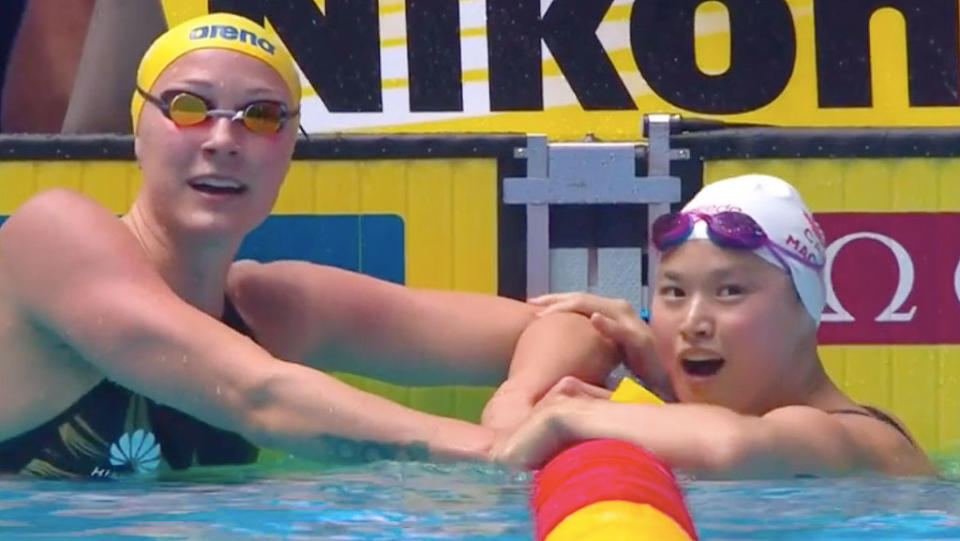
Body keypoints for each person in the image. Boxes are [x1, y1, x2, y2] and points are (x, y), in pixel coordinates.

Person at [0, 13, 616, 478]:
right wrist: (496, 451)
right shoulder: (52, 236)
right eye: (189, 107)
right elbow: (260, 395)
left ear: (291, 146)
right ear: (138, 131)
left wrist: (514, 400)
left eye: (262, 116)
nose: (223, 138)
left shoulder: (276, 307)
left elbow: (574, 331)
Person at [491, 174, 936, 478]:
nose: (692, 323)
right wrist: (662, 379)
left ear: (807, 306)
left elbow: (736, 447)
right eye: (674, 293)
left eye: (730, 292)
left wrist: (571, 417)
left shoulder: (855, 437)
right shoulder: (760, 413)